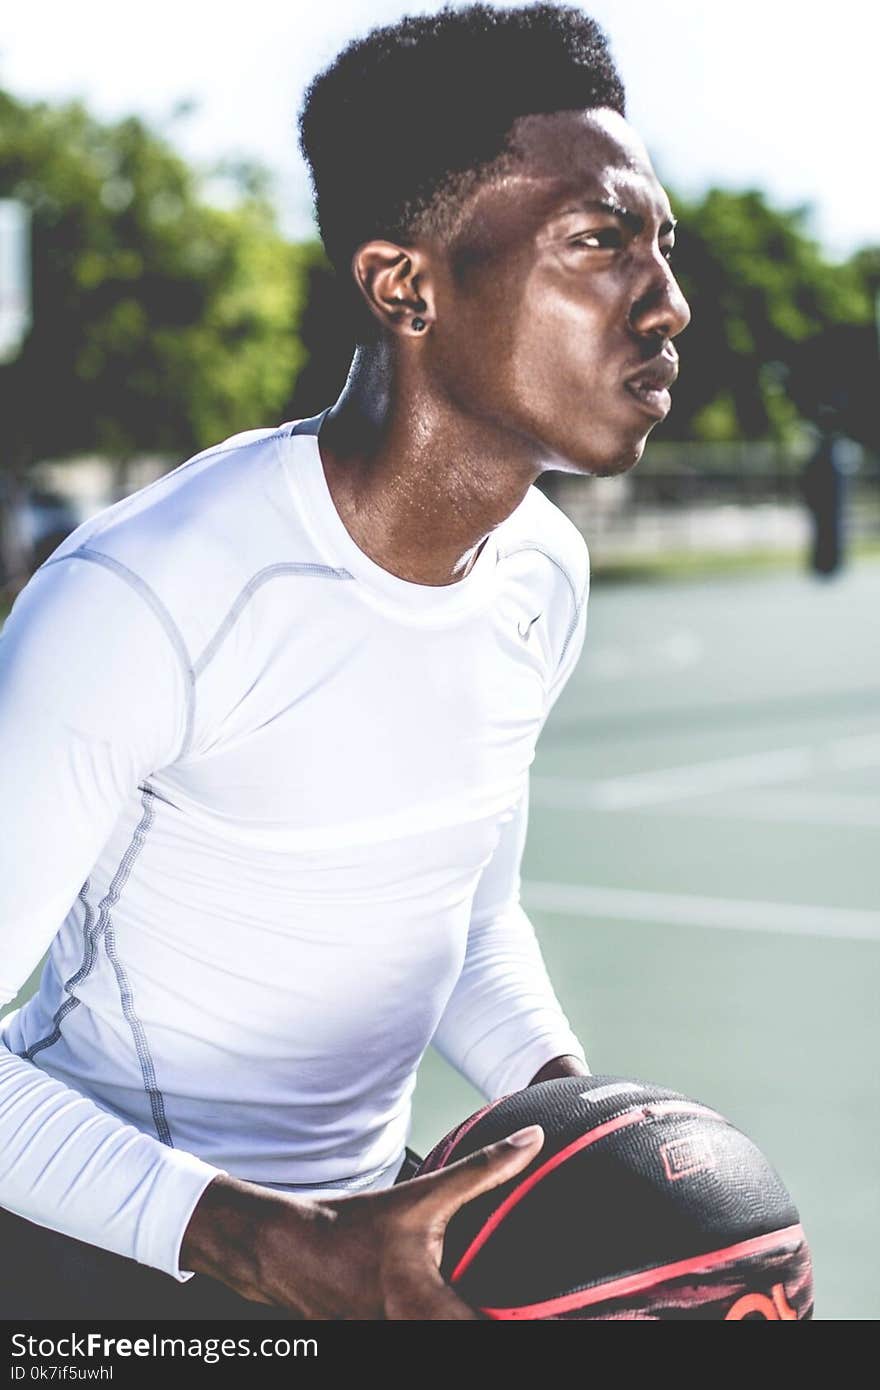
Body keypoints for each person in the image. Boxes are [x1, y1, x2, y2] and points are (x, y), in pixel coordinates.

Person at [0, 3, 689, 1320]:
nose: (667, 302)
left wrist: (575, 1119)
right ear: (403, 285)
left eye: (663, 242)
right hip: (100, 1264)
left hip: (368, 1247)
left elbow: (467, 916)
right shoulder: (147, 598)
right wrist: (266, 1243)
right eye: (600, 242)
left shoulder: (543, 572)